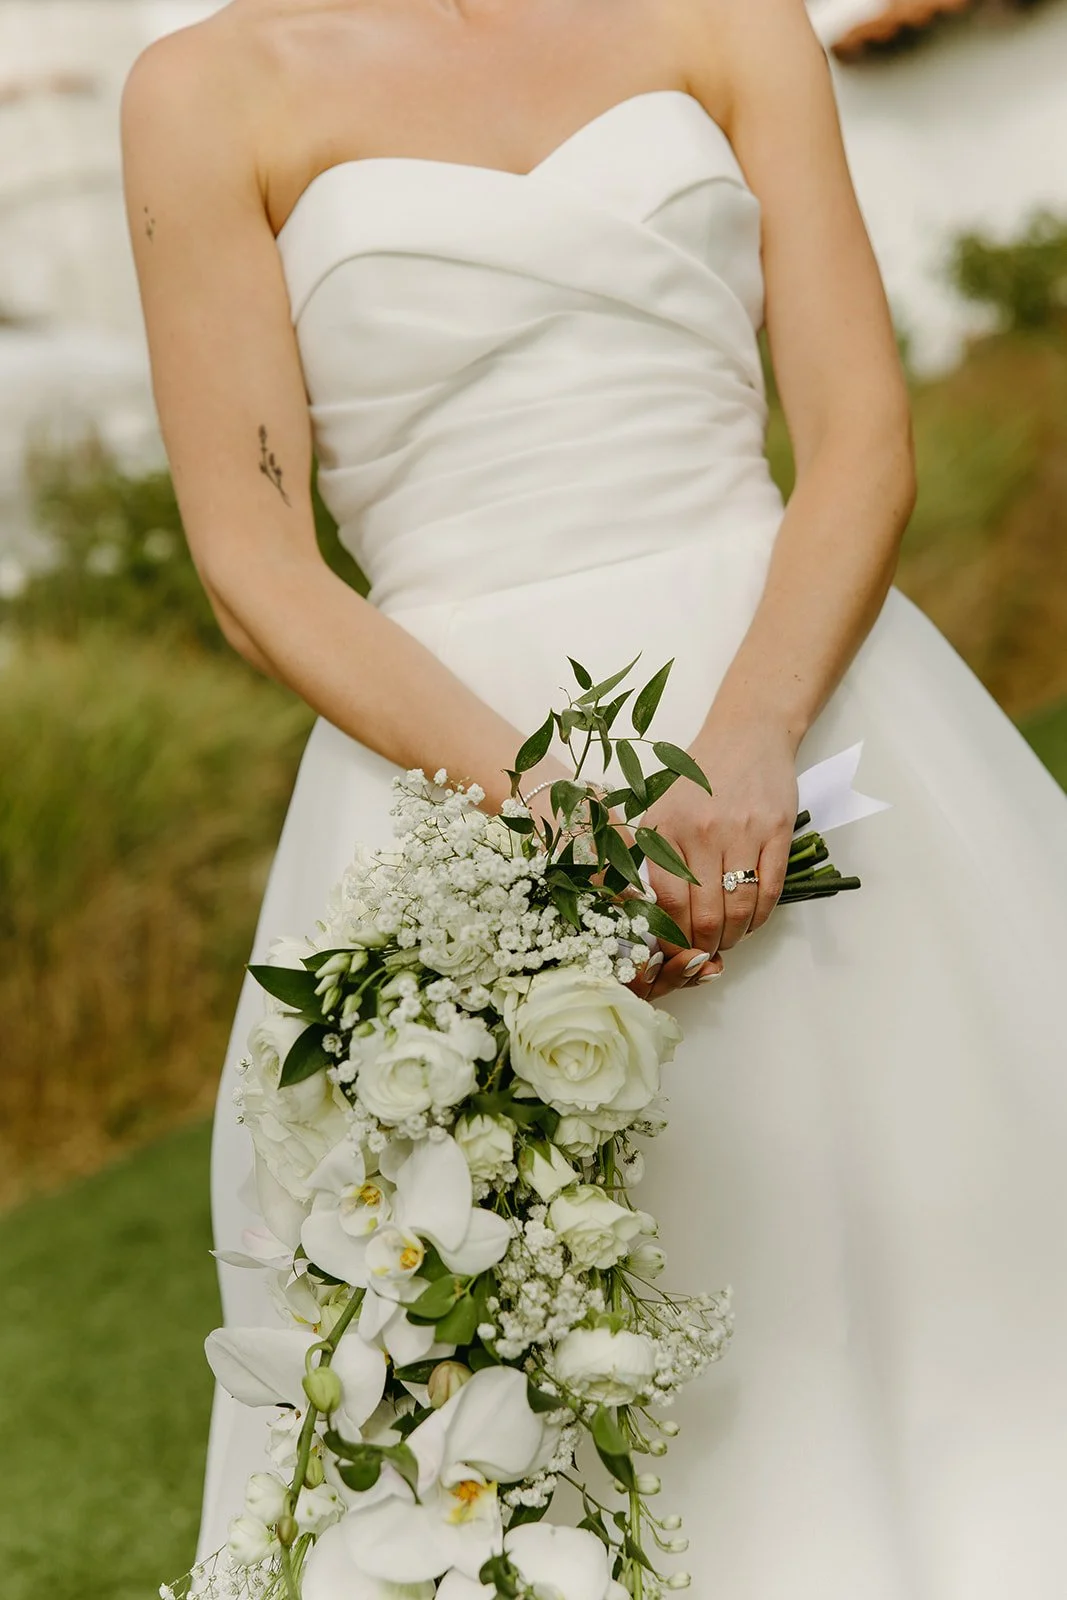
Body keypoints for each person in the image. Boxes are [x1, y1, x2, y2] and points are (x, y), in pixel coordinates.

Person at [121, 0, 1067, 1593]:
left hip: (808, 699)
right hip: (455, 771)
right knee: (565, 1337)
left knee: (959, 1263)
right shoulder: (205, 90)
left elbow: (856, 436)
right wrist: (546, 812)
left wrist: (755, 739)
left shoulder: (723, 15)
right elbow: (255, 564)